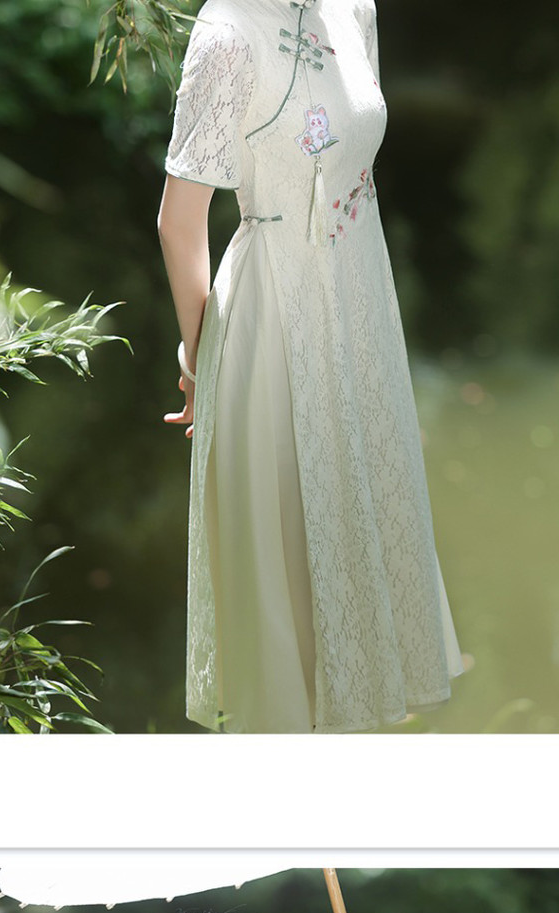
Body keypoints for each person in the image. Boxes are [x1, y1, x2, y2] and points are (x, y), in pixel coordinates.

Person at [158, 0, 463, 734]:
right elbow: (179, 219)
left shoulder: (353, 8)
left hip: (359, 306)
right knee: (291, 565)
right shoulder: (227, 34)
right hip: (274, 316)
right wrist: (199, 361)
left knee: (354, 547)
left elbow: (352, 160)